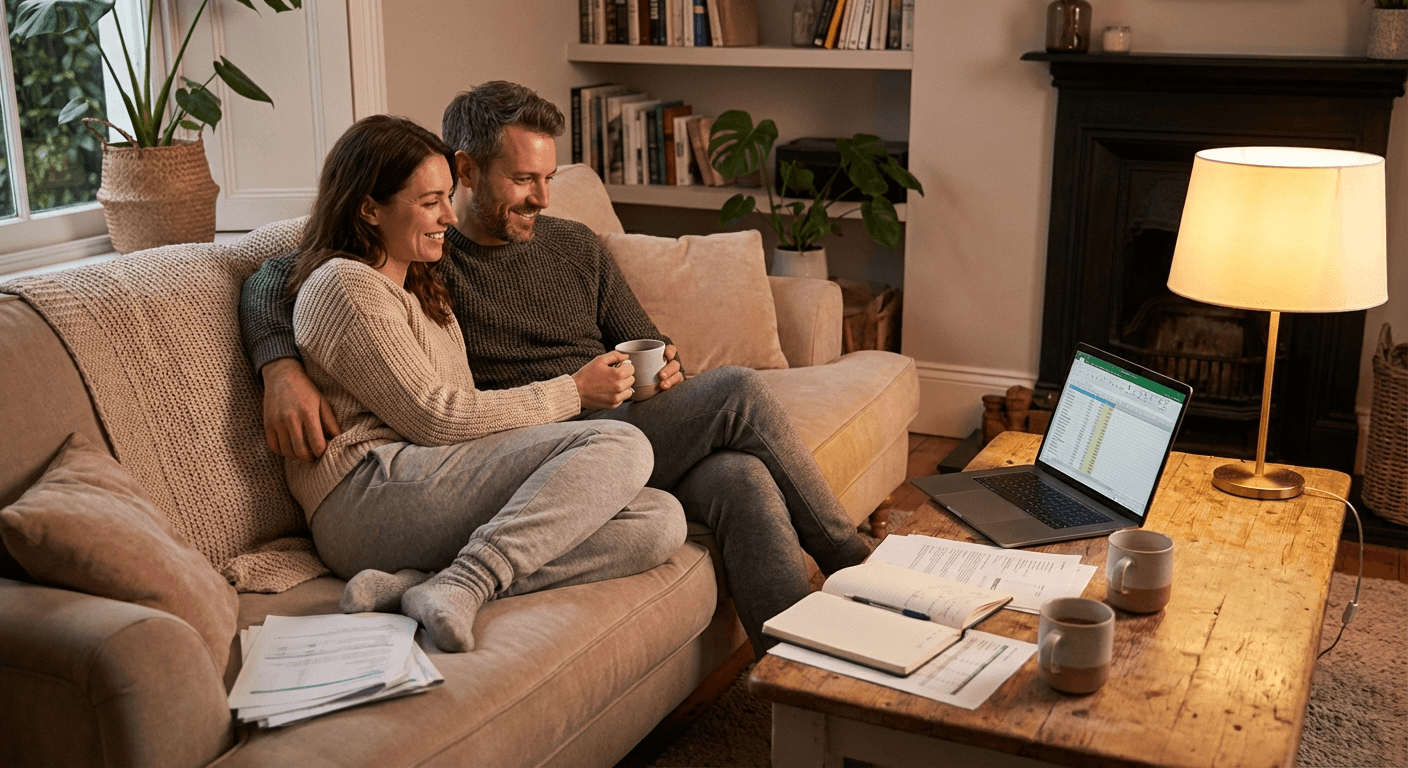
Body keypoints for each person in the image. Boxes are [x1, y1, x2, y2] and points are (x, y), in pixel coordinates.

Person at [240, 83, 873, 658]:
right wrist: (278, 363)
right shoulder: (427, 258)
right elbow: (280, 271)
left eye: (547, 179)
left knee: (732, 479)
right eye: (522, 179)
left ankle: (803, 675)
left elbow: (647, 339)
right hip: (537, 445)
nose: (541, 197)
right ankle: (856, 569)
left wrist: (666, 367)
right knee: (735, 392)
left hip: (603, 430)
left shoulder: (571, 246)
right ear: (467, 171)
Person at [277, 113, 684, 653]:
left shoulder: (420, 284)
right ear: (369, 208)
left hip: (426, 480)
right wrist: (573, 392)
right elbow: (437, 416)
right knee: (620, 442)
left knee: (659, 520)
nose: (449, 215)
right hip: (362, 497)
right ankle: (464, 583)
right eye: (430, 202)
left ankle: (426, 585)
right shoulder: (344, 286)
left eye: (448, 196)